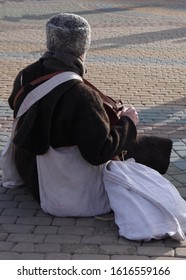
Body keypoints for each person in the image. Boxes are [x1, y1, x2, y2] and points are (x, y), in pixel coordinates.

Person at [7, 13, 170, 217]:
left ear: (50, 40)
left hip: (30, 171)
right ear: (84, 46)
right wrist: (128, 121)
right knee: (141, 145)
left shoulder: (26, 75)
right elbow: (99, 152)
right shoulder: (81, 94)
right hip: (61, 188)